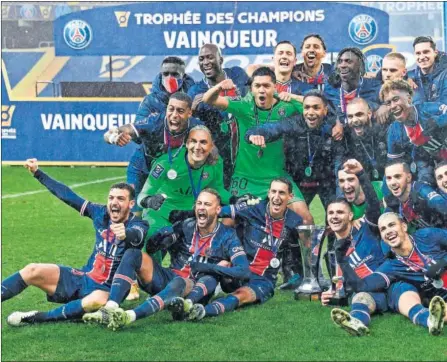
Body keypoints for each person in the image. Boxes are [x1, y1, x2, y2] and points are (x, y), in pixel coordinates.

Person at [3, 158, 148, 326]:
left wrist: (126, 235)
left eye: (120, 199)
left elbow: (138, 237)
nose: (114, 202)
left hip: (107, 291)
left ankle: (38, 317)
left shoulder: (138, 224)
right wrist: (38, 173)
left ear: (131, 204)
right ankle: (77, 310)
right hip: (83, 278)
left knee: (94, 301)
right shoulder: (100, 213)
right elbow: (68, 196)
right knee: (32, 270)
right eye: (111, 198)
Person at [83, 189, 250, 330]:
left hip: (195, 288)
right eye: (199, 203)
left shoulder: (228, 236)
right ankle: (110, 308)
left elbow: (243, 271)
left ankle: (130, 316)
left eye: (207, 204)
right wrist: (160, 240)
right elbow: (151, 247)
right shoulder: (185, 226)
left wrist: (209, 267)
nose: (201, 208)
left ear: (218, 210)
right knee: (133, 254)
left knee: (180, 282)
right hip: (169, 278)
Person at [202, 66, 314, 228]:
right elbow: (208, 100)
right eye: (257, 86)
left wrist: (293, 97)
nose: (262, 90)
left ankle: (302, 254)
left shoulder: (285, 106)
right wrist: (219, 87)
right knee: (227, 224)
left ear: (275, 87)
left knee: (305, 220)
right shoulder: (243, 105)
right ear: (251, 88)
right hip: (245, 178)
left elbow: (316, 105)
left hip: (276, 178)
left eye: (267, 86)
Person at [186, 178, 304, 320]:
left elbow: (299, 252)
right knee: (220, 264)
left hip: (263, 279)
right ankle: (188, 301)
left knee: (240, 297)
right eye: (273, 192)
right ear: (269, 193)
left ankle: (202, 312)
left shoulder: (294, 221)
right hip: (237, 272)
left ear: (290, 196)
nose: (276, 197)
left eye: (282, 193)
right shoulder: (254, 209)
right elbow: (217, 211)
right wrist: (185, 214)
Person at [333, 212, 447, 336]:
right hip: (439, 299)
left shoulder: (428, 236)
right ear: (382, 237)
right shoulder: (391, 266)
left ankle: (432, 318)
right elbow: (362, 287)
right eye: (383, 229)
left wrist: (443, 263)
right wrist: (342, 261)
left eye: (392, 225)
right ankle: (430, 319)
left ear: (404, 226)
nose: (388, 231)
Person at [321, 159, 389, 336]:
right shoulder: (334, 253)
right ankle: (356, 322)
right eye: (331, 213)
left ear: (351, 215)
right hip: (367, 293)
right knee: (359, 298)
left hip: (386, 284)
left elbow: (373, 205)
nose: (335, 217)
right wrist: (331, 292)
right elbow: (341, 284)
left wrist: (361, 175)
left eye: (340, 212)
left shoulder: (367, 229)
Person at [137, 125, 230, 244]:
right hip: (160, 215)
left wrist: (235, 199)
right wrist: (149, 201)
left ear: (211, 146)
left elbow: (217, 190)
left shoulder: (216, 163)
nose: (197, 147)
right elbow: (143, 195)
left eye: (203, 142)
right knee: (152, 245)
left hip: (188, 218)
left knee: (193, 258)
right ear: (186, 144)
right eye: (193, 141)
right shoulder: (166, 163)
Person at [127, 57, 196, 215]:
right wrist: (155, 124)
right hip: (145, 163)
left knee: (165, 214)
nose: (170, 78)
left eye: (175, 74)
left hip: (174, 167)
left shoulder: (194, 98)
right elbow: (137, 136)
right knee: (134, 214)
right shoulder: (150, 101)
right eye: (166, 73)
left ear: (183, 76)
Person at [188, 44, 249, 187]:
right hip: (217, 153)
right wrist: (192, 111)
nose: (206, 62)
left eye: (210, 57)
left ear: (221, 60)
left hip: (243, 148)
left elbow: (258, 84)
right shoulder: (195, 91)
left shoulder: (237, 74)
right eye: (201, 59)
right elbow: (192, 124)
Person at [382, 80, 446, 185]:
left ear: (409, 98)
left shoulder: (428, 109)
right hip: (431, 168)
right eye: (388, 103)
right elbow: (392, 166)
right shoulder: (394, 132)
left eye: (395, 99)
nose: (392, 106)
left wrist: (439, 122)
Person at [324, 47, 381, 125]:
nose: (342, 65)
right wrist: (335, 122)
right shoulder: (330, 89)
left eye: (348, 61)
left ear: (359, 65)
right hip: (340, 135)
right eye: (340, 61)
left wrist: (385, 106)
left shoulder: (374, 87)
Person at [384, 160, 447, 231]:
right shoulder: (393, 203)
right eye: (388, 178)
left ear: (408, 177)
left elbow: (439, 203)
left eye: (397, 176)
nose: (392, 182)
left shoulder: (422, 190)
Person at [345, 98, 389, 182]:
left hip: (390, 181)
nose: (354, 120)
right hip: (365, 185)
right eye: (350, 116)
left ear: (369, 114)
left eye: (359, 115)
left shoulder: (383, 129)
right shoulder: (346, 136)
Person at [407, 36, 447, 114]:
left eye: (426, 52)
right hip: (420, 124)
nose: (421, 57)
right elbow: (385, 77)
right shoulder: (410, 76)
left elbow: (444, 106)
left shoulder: (445, 75)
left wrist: (416, 109)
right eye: (418, 53)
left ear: (435, 53)